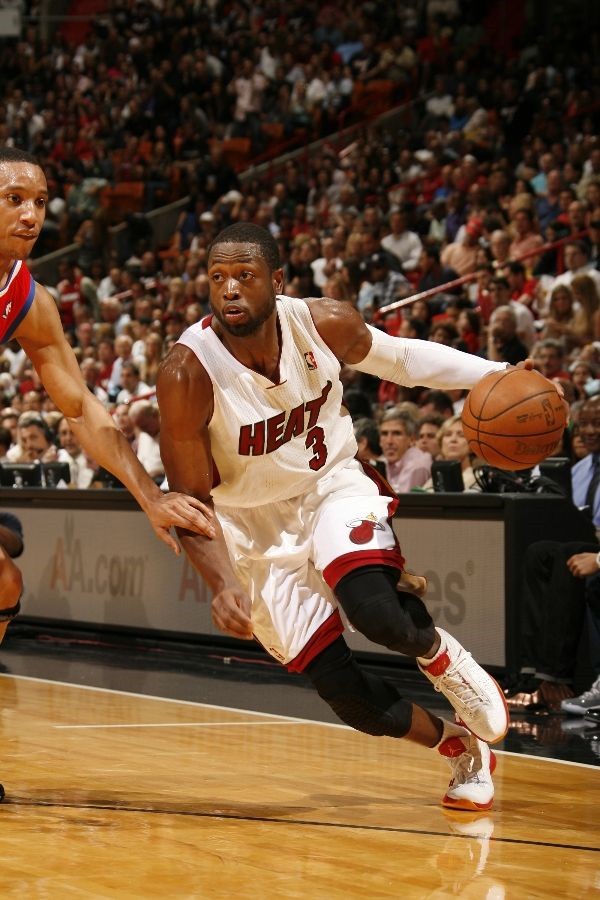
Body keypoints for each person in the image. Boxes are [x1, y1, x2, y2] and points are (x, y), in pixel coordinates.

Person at [157, 223, 513, 811]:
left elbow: (403, 359)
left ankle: (445, 660)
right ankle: (461, 748)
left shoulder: (324, 322)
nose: (229, 291)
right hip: (249, 528)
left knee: (376, 612)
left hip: (330, 485)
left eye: (244, 276)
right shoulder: (187, 372)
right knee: (348, 697)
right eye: (217, 278)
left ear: (276, 281)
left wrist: (494, 373)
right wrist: (221, 582)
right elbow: (189, 498)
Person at [0, 147, 214, 649]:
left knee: (5, 583)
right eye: (14, 199)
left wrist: (152, 496)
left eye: (40, 202)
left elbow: (80, 407)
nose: (31, 215)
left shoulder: (28, 300)